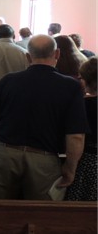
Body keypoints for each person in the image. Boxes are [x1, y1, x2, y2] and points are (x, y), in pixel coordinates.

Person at [0, 35, 89, 200]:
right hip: (44, 159)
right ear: (57, 54)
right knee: (41, 216)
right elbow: (75, 135)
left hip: (5, 154)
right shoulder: (71, 86)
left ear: (28, 56)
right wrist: (70, 168)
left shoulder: (8, 81)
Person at [65, 58, 97, 201]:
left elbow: (77, 137)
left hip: (90, 162)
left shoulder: (84, 105)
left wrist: (70, 168)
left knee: (83, 208)